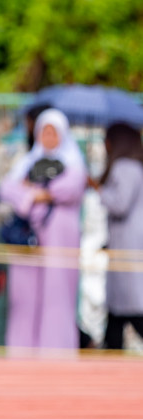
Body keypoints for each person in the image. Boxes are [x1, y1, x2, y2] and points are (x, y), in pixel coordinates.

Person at [0, 109, 87, 351]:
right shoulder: (27, 162)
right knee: (24, 294)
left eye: (53, 132)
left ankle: (57, 350)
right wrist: (37, 196)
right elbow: (7, 189)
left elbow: (70, 188)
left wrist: (34, 192)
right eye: (44, 131)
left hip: (61, 235)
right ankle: (22, 351)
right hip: (29, 235)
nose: (48, 137)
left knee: (57, 292)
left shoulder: (73, 162)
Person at [90, 123, 143, 350]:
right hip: (124, 245)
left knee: (131, 308)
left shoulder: (126, 167)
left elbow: (120, 204)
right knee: (117, 313)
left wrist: (98, 189)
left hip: (129, 248)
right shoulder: (132, 166)